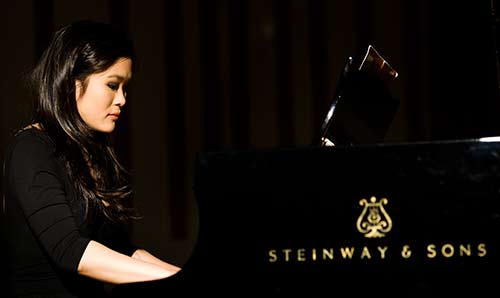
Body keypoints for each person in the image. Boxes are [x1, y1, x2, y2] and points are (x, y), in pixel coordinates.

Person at [2, 20, 181, 297]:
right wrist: (180, 281)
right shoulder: (30, 149)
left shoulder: (92, 152)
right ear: (72, 83)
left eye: (125, 88)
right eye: (112, 85)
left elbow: (121, 249)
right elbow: (70, 251)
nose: (122, 99)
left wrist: (189, 276)